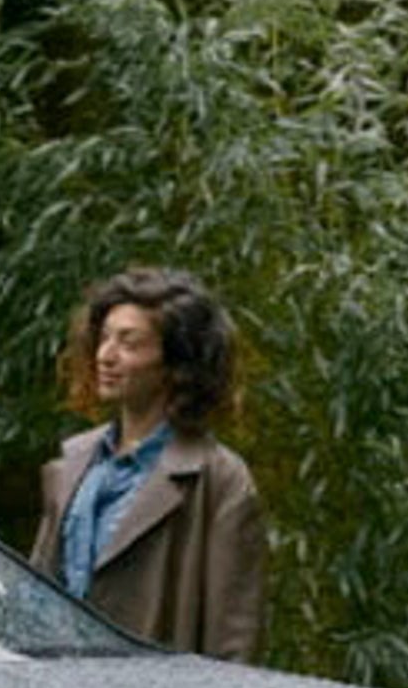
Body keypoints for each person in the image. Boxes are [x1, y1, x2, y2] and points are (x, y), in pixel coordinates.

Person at [29, 265, 267, 663]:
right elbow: (34, 598)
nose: (106, 355)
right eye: (104, 338)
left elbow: (233, 644)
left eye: (129, 342)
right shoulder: (72, 465)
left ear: (176, 362)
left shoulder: (220, 479)